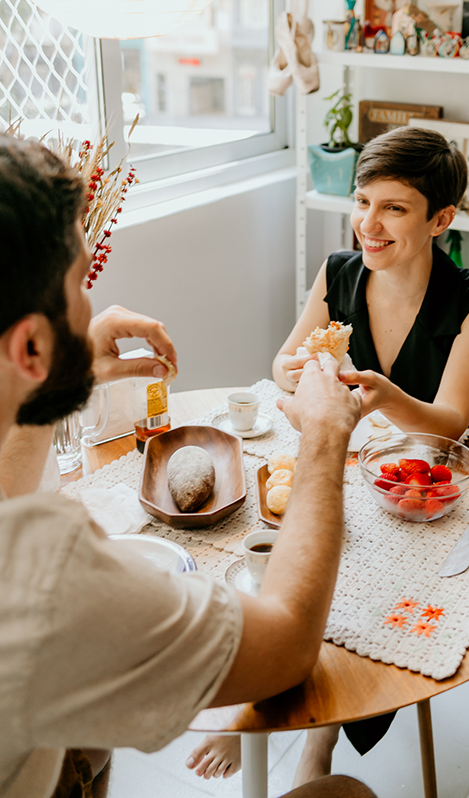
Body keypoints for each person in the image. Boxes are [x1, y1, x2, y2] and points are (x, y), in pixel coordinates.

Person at [0, 135, 374, 798]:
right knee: (347, 795)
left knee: (87, 738)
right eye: (81, 285)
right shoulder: (38, 571)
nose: (92, 307)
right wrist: (322, 441)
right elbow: (287, 647)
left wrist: (51, 376)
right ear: (28, 344)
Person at [194, 127, 469, 784]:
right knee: (269, 551)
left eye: (393, 207)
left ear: (440, 219)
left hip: (422, 488)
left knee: (342, 577)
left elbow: (451, 420)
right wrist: (305, 368)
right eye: (362, 200)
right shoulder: (338, 272)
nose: (367, 223)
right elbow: (282, 364)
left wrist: (383, 395)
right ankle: (266, 686)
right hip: (343, 463)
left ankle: (318, 739)